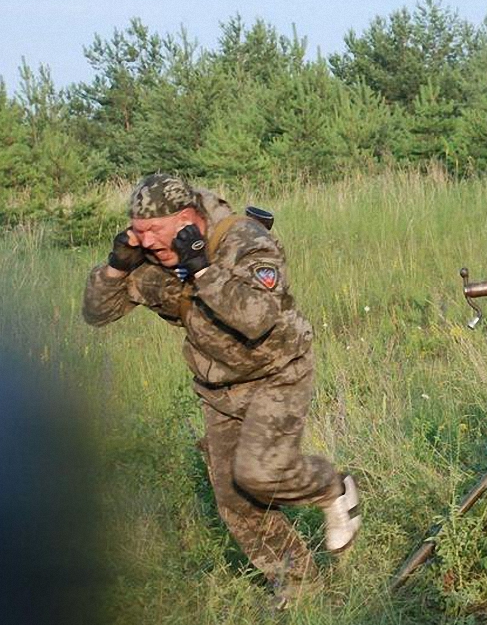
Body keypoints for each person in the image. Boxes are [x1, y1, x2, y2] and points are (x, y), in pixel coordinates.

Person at [83, 172, 360, 602]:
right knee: (235, 501)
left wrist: (204, 271)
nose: (144, 243)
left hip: (276, 372)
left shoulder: (244, 241)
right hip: (219, 387)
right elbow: (98, 313)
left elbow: (258, 318)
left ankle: (331, 488)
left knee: (260, 474)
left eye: (152, 232)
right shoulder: (148, 255)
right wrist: (117, 266)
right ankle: (301, 590)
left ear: (187, 219)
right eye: (135, 234)